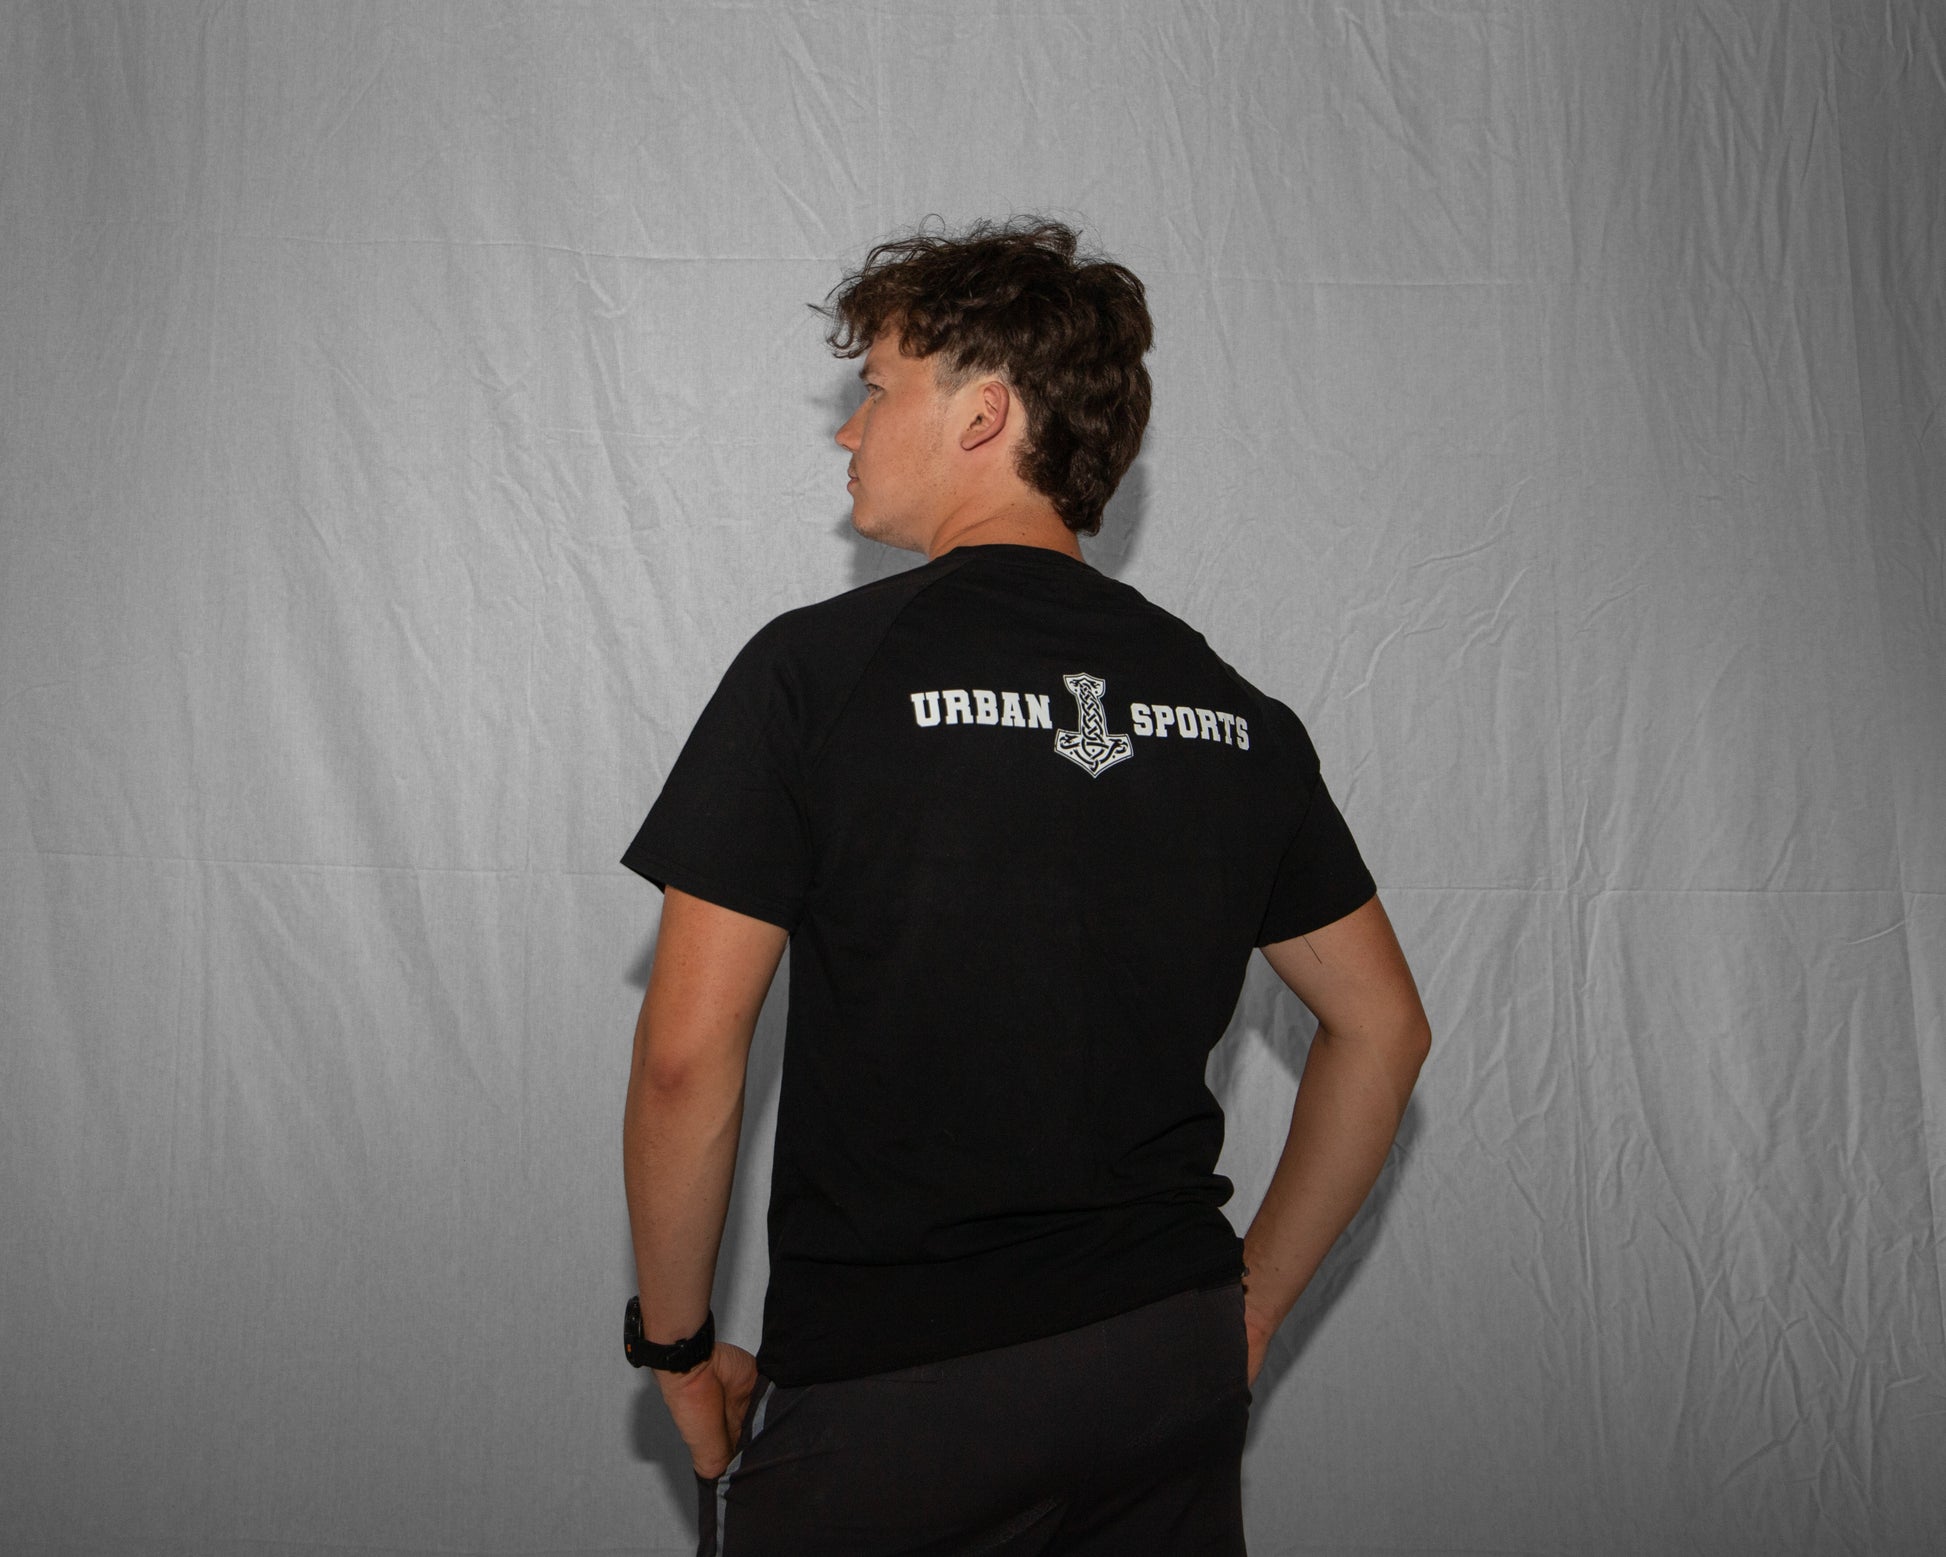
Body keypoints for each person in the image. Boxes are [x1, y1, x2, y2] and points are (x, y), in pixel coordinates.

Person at [619, 217, 1431, 1555]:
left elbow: (682, 1061)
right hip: (1160, 1365)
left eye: (877, 389)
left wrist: (676, 1344)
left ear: (983, 412)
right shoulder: (1235, 708)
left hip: (898, 1389)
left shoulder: (815, 676)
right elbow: (1384, 1026)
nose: (849, 431)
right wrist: (1245, 1314)